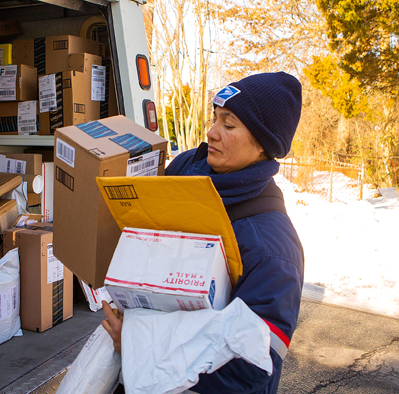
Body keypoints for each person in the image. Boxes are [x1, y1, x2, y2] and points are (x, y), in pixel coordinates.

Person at [102, 71, 305, 393]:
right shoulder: (185, 169)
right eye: (214, 119)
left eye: (229, 124)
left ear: (264, 145)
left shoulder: (271, 248)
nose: (211, 132)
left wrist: (141, 346)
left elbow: (252, 368)